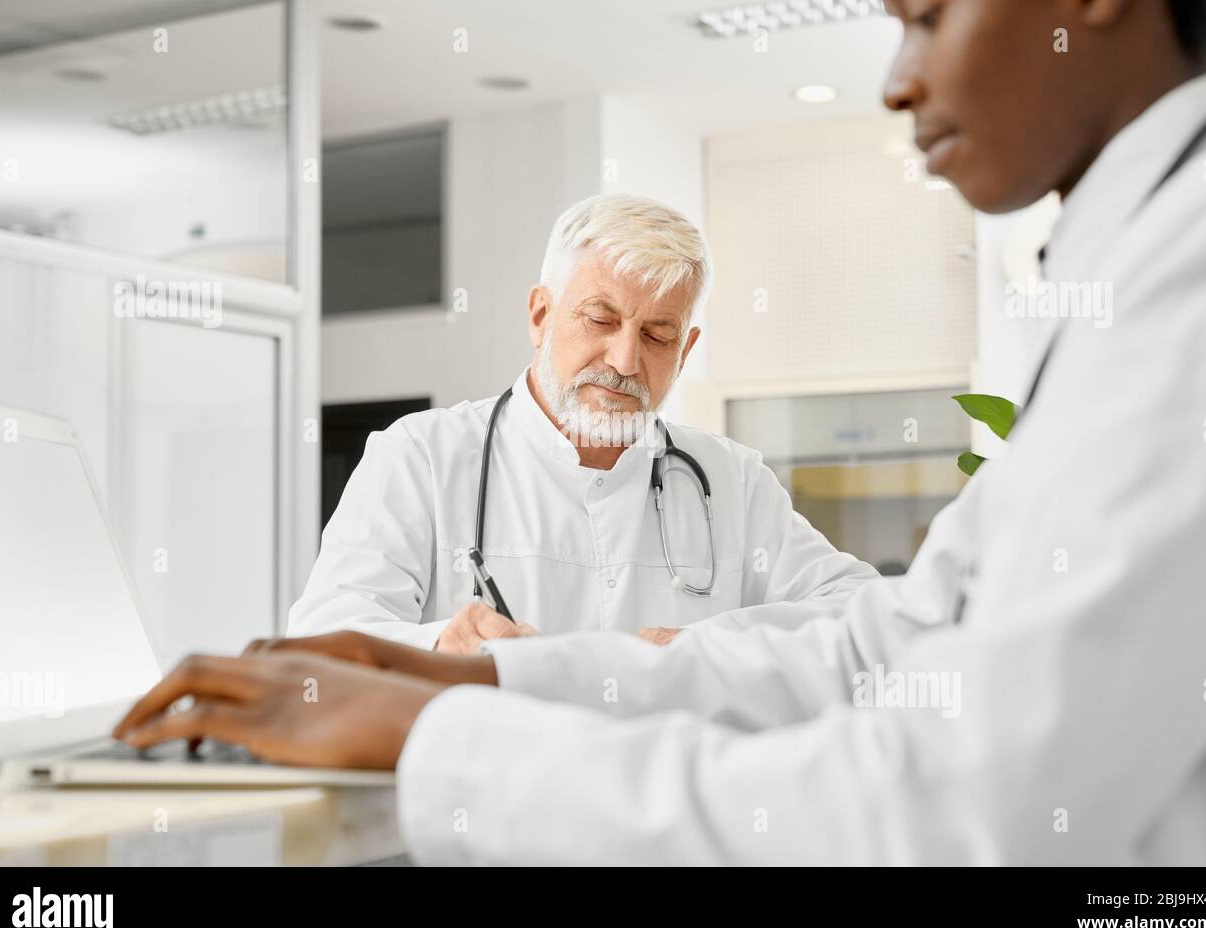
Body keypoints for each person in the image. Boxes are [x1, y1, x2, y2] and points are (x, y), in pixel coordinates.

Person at [115, 0, 1206, 864]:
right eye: (600, 321)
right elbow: (887, 651)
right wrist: (483, 681)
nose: (898, 82)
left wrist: (452, 729)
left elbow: (956, 794)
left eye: (925, 15)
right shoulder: (1150, 256)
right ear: (539, 314)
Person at [288, 193, 876, 654]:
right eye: (600, 320)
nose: (625, 361)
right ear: (541, 315)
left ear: (686, 350)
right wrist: (441, 643)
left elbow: (859, 608)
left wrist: (718, 644)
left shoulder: (732, 480)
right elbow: (323, 640)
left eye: (657, 335)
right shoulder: (420, 456)